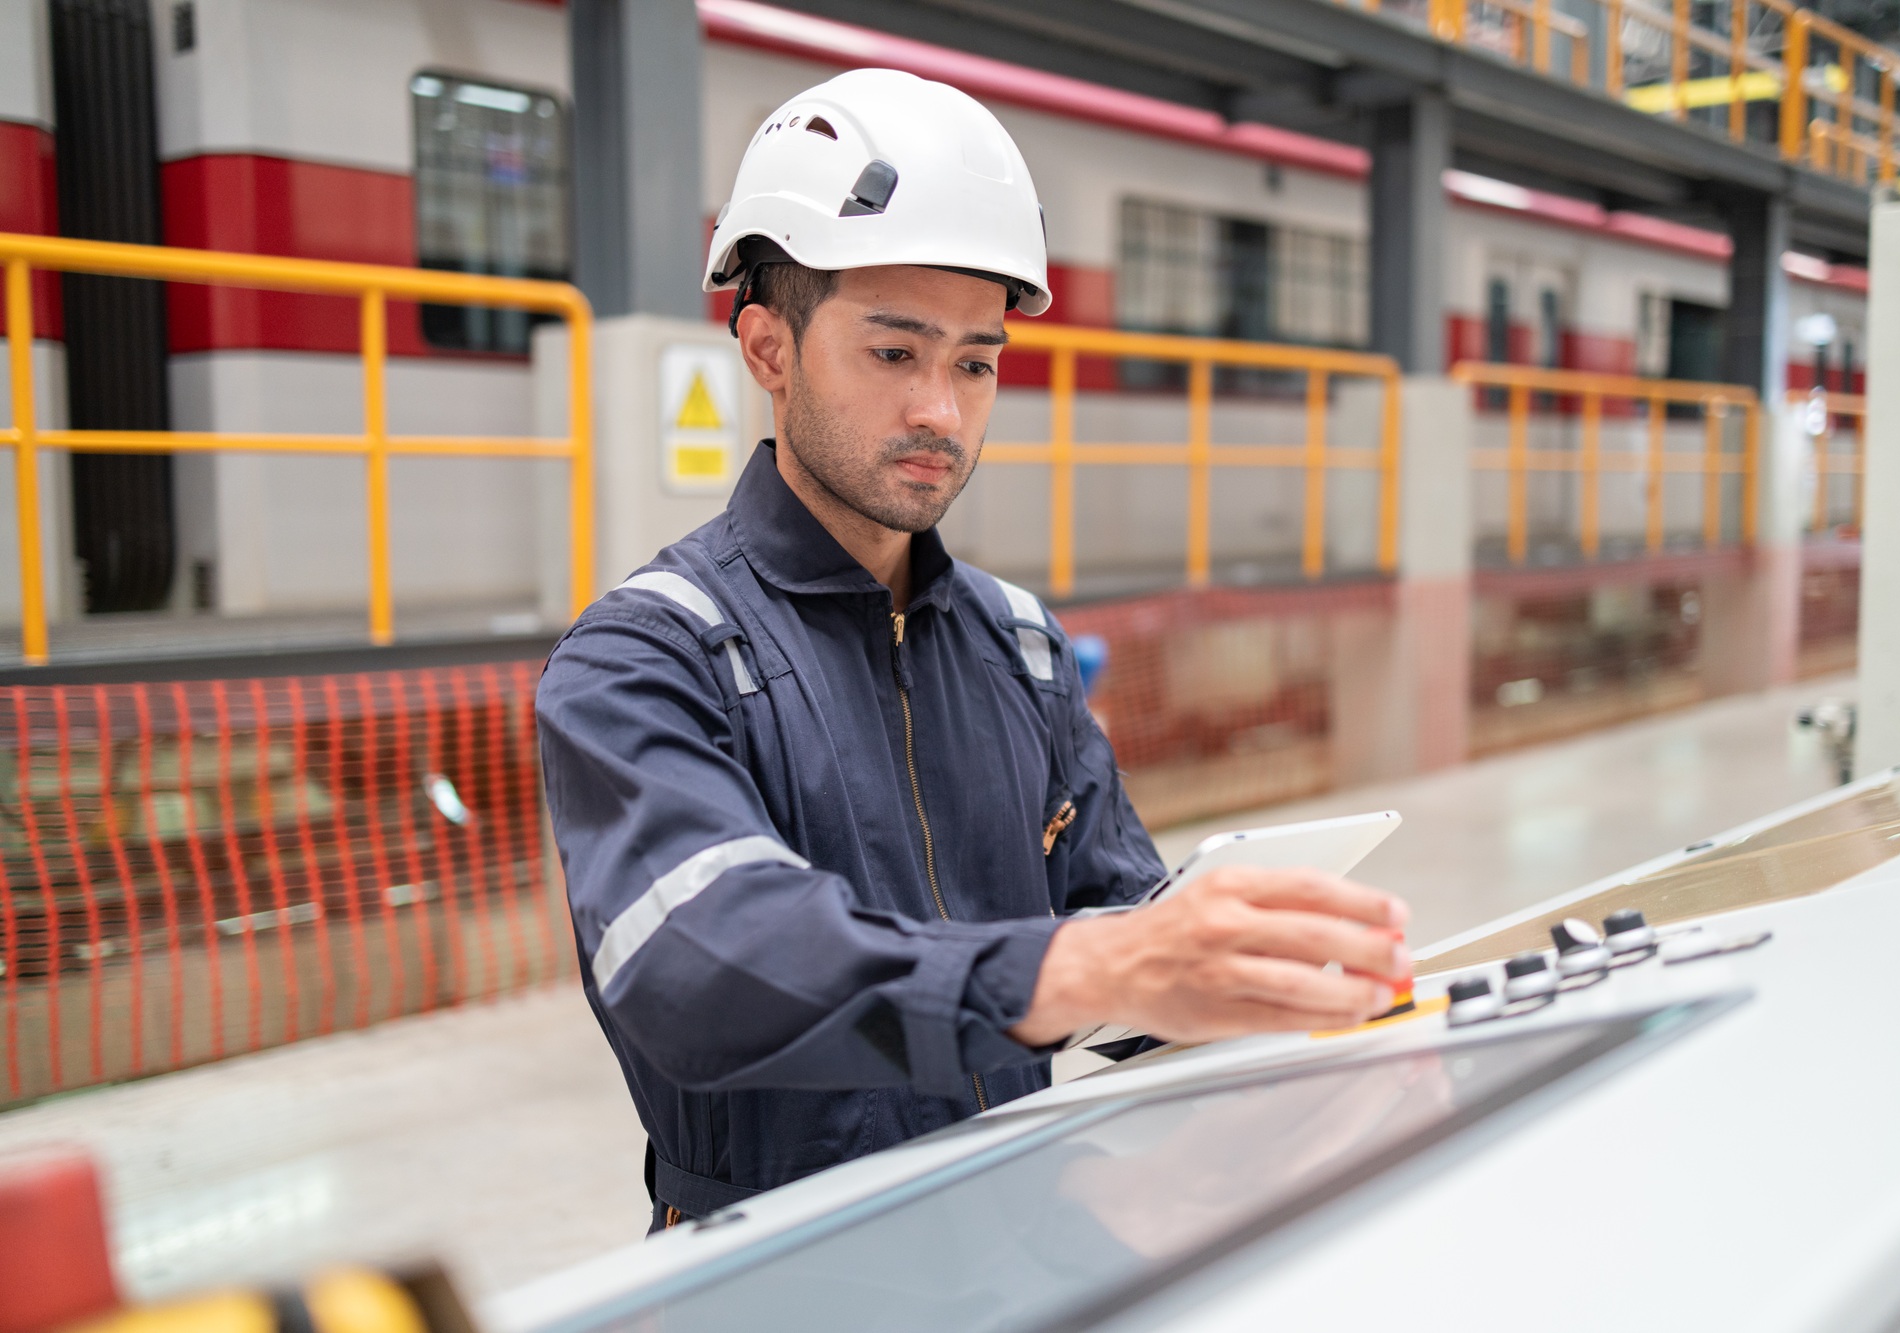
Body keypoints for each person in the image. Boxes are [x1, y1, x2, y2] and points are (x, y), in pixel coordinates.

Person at [536, 68, 1413, 1233]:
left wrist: (1247, 976)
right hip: (771, 1271)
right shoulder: (646, 655)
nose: (941, 414)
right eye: (893, 354)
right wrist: (1096, 968)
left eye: (974, 362)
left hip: (1025, 1233)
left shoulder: (1020, 649)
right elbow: (702, 966)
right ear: (766, 349)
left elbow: (1122, 935)